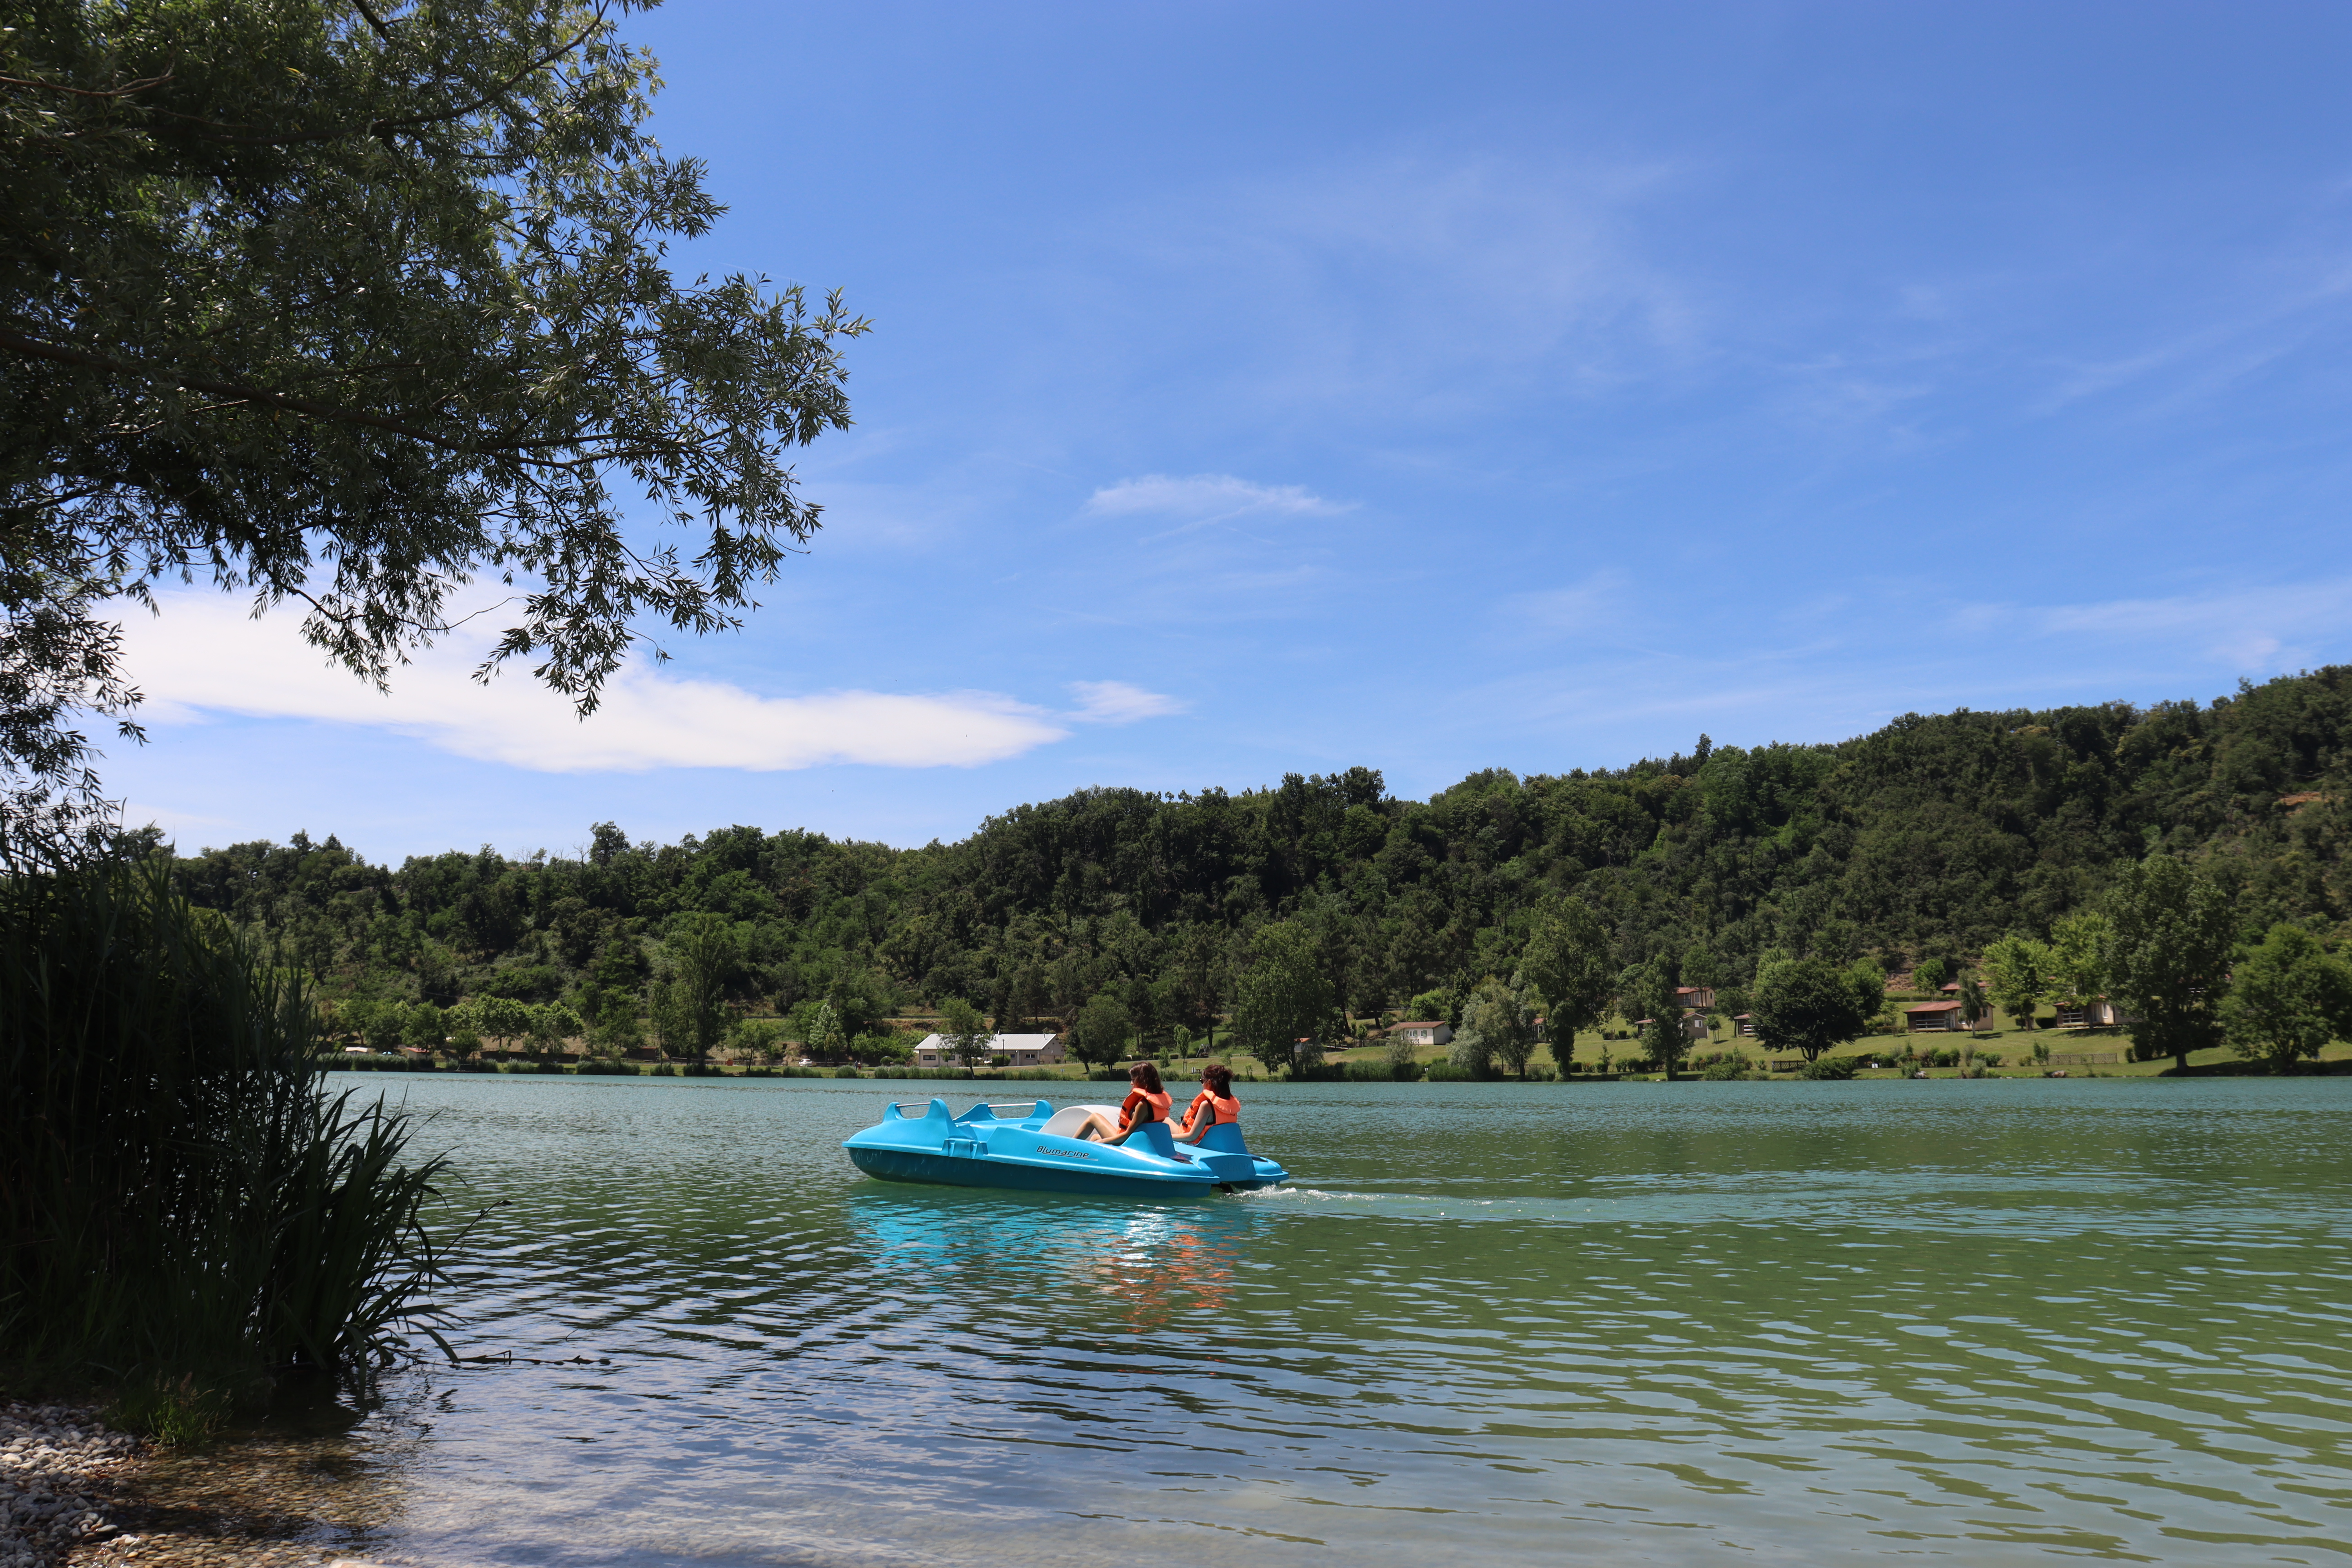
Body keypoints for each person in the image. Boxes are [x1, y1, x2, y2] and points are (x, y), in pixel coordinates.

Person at [1073, 1062, 1173, 1143]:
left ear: (1143, 1080)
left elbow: (1127, 1135)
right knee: (1095, 1137)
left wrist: (1103, 1142)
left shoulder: (1143, 1106)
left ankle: (1068, 1146)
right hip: (1142, 1142)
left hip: (1126, 1143)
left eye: (1133, 1080)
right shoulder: (1157, 1101)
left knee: (1094, 1118)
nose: (1131, 1083)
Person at [1175, 1062, 1240, 1144]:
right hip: (1222, 1146)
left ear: (1209, 1083)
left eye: (1202, 1081)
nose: (1202, 1085)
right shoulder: (1231, 1107)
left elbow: (1192, 1137)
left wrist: (1168, 1137)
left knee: (1165, 1121)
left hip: (1199, 1146)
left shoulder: (1206, 1106)